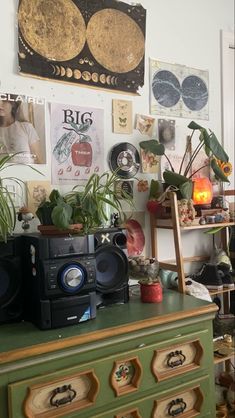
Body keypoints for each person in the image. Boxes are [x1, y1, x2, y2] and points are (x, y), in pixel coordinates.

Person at [0, 94, 43, 164]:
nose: (0, 103)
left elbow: (38, 160)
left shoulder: (26, 127)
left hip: (26, 173)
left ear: (13, 103)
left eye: (4, 100)